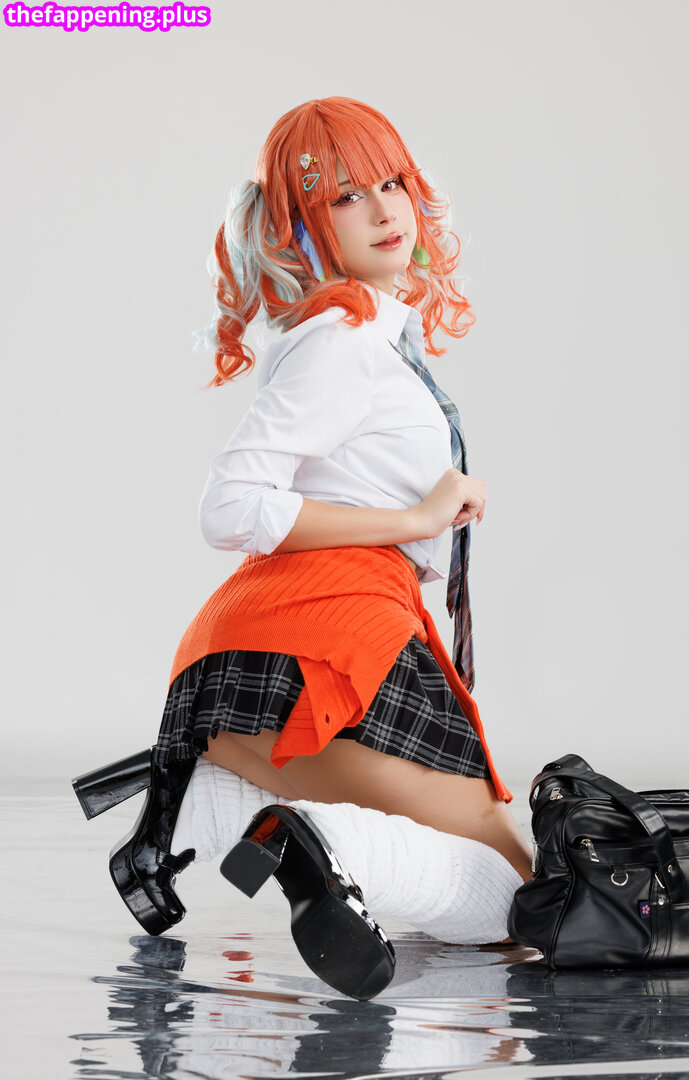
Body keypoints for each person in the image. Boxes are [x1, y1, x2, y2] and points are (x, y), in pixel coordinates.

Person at [72, 96, 533, 1000]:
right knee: (525, 896)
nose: (386, 211)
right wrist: (416, 519)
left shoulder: (367, 335)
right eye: (346, 197)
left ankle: (210, 795)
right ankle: (316, 842)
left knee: (499, 879)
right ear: (304, 229)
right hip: (324, 643)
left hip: (272, 643)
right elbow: (230, 507)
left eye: (392, 183)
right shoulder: (344, 338)